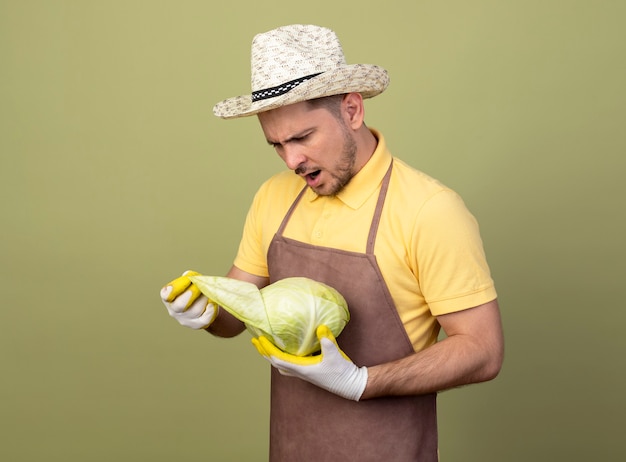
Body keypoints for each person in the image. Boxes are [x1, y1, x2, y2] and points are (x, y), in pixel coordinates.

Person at [160, 24, 504, 461]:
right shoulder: (273, 196)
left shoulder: (429, 209)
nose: (292, 161)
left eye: (303, 138)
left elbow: (483, 350)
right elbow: (236, 314)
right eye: (276, 145)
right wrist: (206, 308)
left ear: (352, 110)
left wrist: (361, 382)